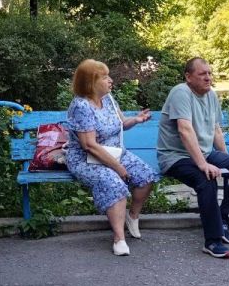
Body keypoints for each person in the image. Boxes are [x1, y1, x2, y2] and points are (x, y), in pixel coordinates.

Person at [156, 57, 229, 259]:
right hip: (175, 157)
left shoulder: (210, 95)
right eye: (202, 74)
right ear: (188, 77)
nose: (208, 78)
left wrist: (226, 159)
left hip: (205, 153)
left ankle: (223, 218)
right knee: (206, 179)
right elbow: (184, 130)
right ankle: (213, 240)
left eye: (209, 73)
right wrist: (203, 164)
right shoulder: (180, 93)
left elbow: (216, 130)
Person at [64, 60, 158, 257]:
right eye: (105, 77)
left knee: (146, 176)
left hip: (114, 152)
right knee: (112, 181)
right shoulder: (81, 106)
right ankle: (119, 238)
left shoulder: (108, 99)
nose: (111, 80)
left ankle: (131, 217)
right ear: (91, 82)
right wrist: (118, 167)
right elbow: (89, 145)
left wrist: (136, 120)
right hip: (85, 159)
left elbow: (121, 123)